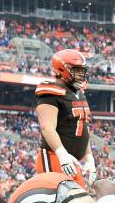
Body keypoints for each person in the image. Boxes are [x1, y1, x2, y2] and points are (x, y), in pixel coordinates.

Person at [35, 49, 96, 188]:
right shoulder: (51, 91)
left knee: (80, 202)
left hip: (72, 160)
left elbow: (82, 127)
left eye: (82, 70)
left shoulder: (79, 93)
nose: (81, 74)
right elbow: (46, 127)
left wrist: (89, 158)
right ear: (62, 69)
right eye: (77, 70)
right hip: (54, 157)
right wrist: (61, 154)